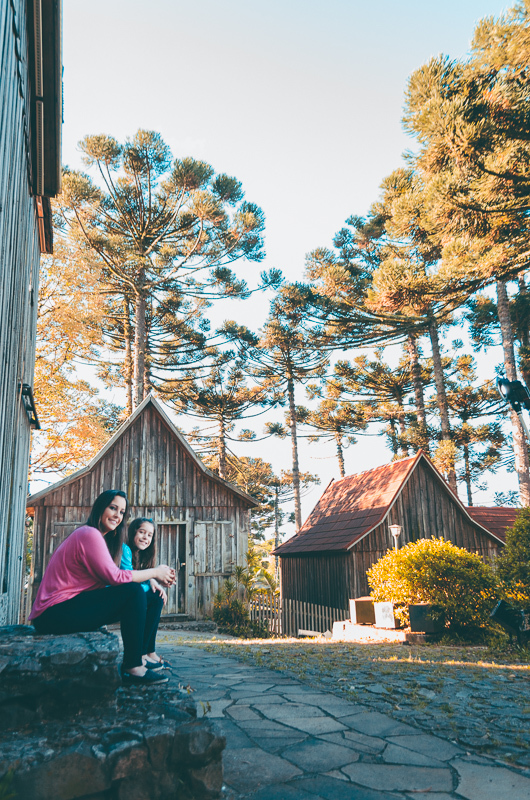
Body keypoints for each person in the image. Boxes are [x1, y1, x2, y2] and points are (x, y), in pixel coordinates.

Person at [29, 490, 175, 685]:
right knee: (133, 592)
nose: (117, 515)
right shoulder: (89, 534)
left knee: (151, 597)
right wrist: (155, 572)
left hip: (67, 608)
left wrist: (151, 582)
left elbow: (112, 579)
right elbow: (115, 578)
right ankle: (133, 666)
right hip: (52, 613)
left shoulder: (103, 540)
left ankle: (143, 655)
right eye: (113, 508)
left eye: (122, 512)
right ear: (100, 508)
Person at [121, 517, 171, 670]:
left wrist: (154, 583)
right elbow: (129, 578)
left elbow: (140, 577)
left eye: (149, 535)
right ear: (132, 532)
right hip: (118, 595)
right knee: (147, 597)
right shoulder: (125, 549)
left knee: (156, 597)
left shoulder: (140, 554)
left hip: (132, 593)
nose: (145, 537)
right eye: (142, 532)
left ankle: (150, 651)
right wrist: (151, 580)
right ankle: (141, 653)